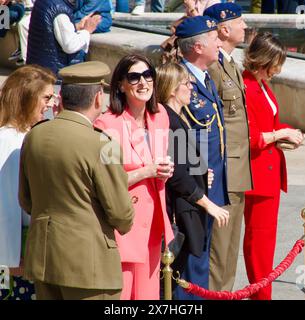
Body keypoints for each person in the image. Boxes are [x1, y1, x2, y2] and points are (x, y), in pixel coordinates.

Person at [18, 61, 134, 300]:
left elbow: (26, 200)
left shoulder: (34, 135)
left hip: (45, 259)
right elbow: (121, 214)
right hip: (88, 266)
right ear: (97, 100)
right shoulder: (104, 144)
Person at [94, 54, 174, 300]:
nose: (143, 82)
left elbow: (158, 162)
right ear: (120, 84)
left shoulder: (159, 114)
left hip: (154, 222)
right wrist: (147, 171)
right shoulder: (106, 124)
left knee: (148, 296)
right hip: (124, 224)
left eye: (148, 75)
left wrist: (165, 171)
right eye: (134, 77)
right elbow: (106, 182)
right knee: (123, 295)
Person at [156, 62, 229, 299]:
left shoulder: (176, 117)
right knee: (177, 282)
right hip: (181, 211)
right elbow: (176, 176)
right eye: (186, 83)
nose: (191, 87)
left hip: (185, 206)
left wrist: (200, 173)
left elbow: (183, 163)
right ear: (172, 90)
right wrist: (209, 205)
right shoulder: (170, 121)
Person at [242, 32, 304, 300]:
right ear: (263, 60)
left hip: (267, 172)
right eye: (276, 63)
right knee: (259, 245)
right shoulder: (247, 85)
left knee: (265, 244)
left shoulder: (261, 84)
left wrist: (289, 131)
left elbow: (270, 124)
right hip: (257, 175)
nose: (278, 70)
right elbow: (252, 137)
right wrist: (280, 135)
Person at [174, 15, 230, 299]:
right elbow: (179, 137)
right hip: (194, 186)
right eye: (213, 38)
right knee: (191, 259)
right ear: (197, 46)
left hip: (212, 182)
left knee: (204, 257)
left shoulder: (205, 78)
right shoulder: (180, 83)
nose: (219, 42)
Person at [204, 3, 252, 293]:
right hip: (224, 169)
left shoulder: (231, 63)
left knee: (231, 248)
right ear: (224, 29)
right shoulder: (213, 66)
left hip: (237, 168)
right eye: (240, 22)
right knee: (219, 252)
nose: (245, 27)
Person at [0, 64, 56, 300]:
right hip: (16, 264)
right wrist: (10, 262)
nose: (51, 104)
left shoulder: (22, 136)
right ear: (27, 98)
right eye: (46, 97)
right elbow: (7, 207)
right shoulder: (10, 140)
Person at [26, 0, 101, 76]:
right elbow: (70, 46)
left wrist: (75, 27)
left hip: (39, 70)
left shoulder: (45, 2)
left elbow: (51, 30)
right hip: (52, 75)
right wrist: (87, 31)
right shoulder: (59, 9)